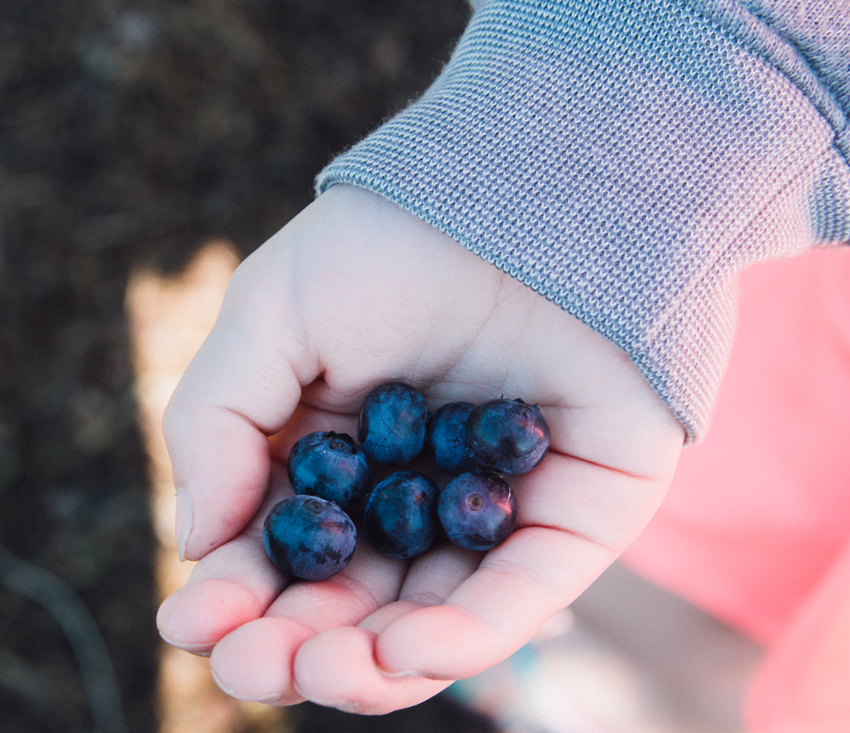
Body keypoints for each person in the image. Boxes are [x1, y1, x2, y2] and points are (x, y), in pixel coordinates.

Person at [156, 0, 850, 727]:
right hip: (728, 380)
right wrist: (704, 66)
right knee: (657, 587)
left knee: (749, 677)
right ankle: (576, 676)